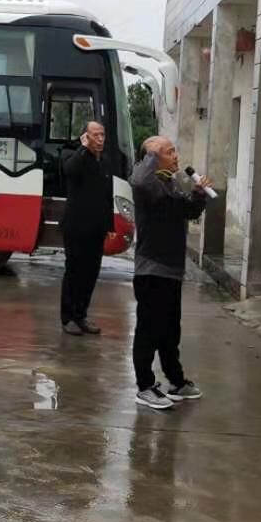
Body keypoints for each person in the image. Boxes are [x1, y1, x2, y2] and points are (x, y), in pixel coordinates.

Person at [129, 136, 209, 411]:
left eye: (175, 150)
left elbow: (186, 211)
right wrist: (151, 154)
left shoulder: (169, 182)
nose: (175, 156)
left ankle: (176, 381)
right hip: (152, 270)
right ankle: (145, 387)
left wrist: (198, 193)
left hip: (172, 271)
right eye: (168, 151)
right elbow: (140, 181)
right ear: (151, 157)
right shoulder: (146, 183)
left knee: (170, 331)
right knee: (149, 331)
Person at [59, 120, 114, 337]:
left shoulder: (105, 160)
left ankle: (81, 315)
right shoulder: (72, 154)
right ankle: (68, 318)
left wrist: (109, 225)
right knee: (74, 272)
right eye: (95, 135)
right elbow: (70, 171)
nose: (100, 139)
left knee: (90, 274)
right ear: (85, 136)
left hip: (96, 229)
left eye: (102, 135)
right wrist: (82, 149)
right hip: (75, 227)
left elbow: (107, 195)